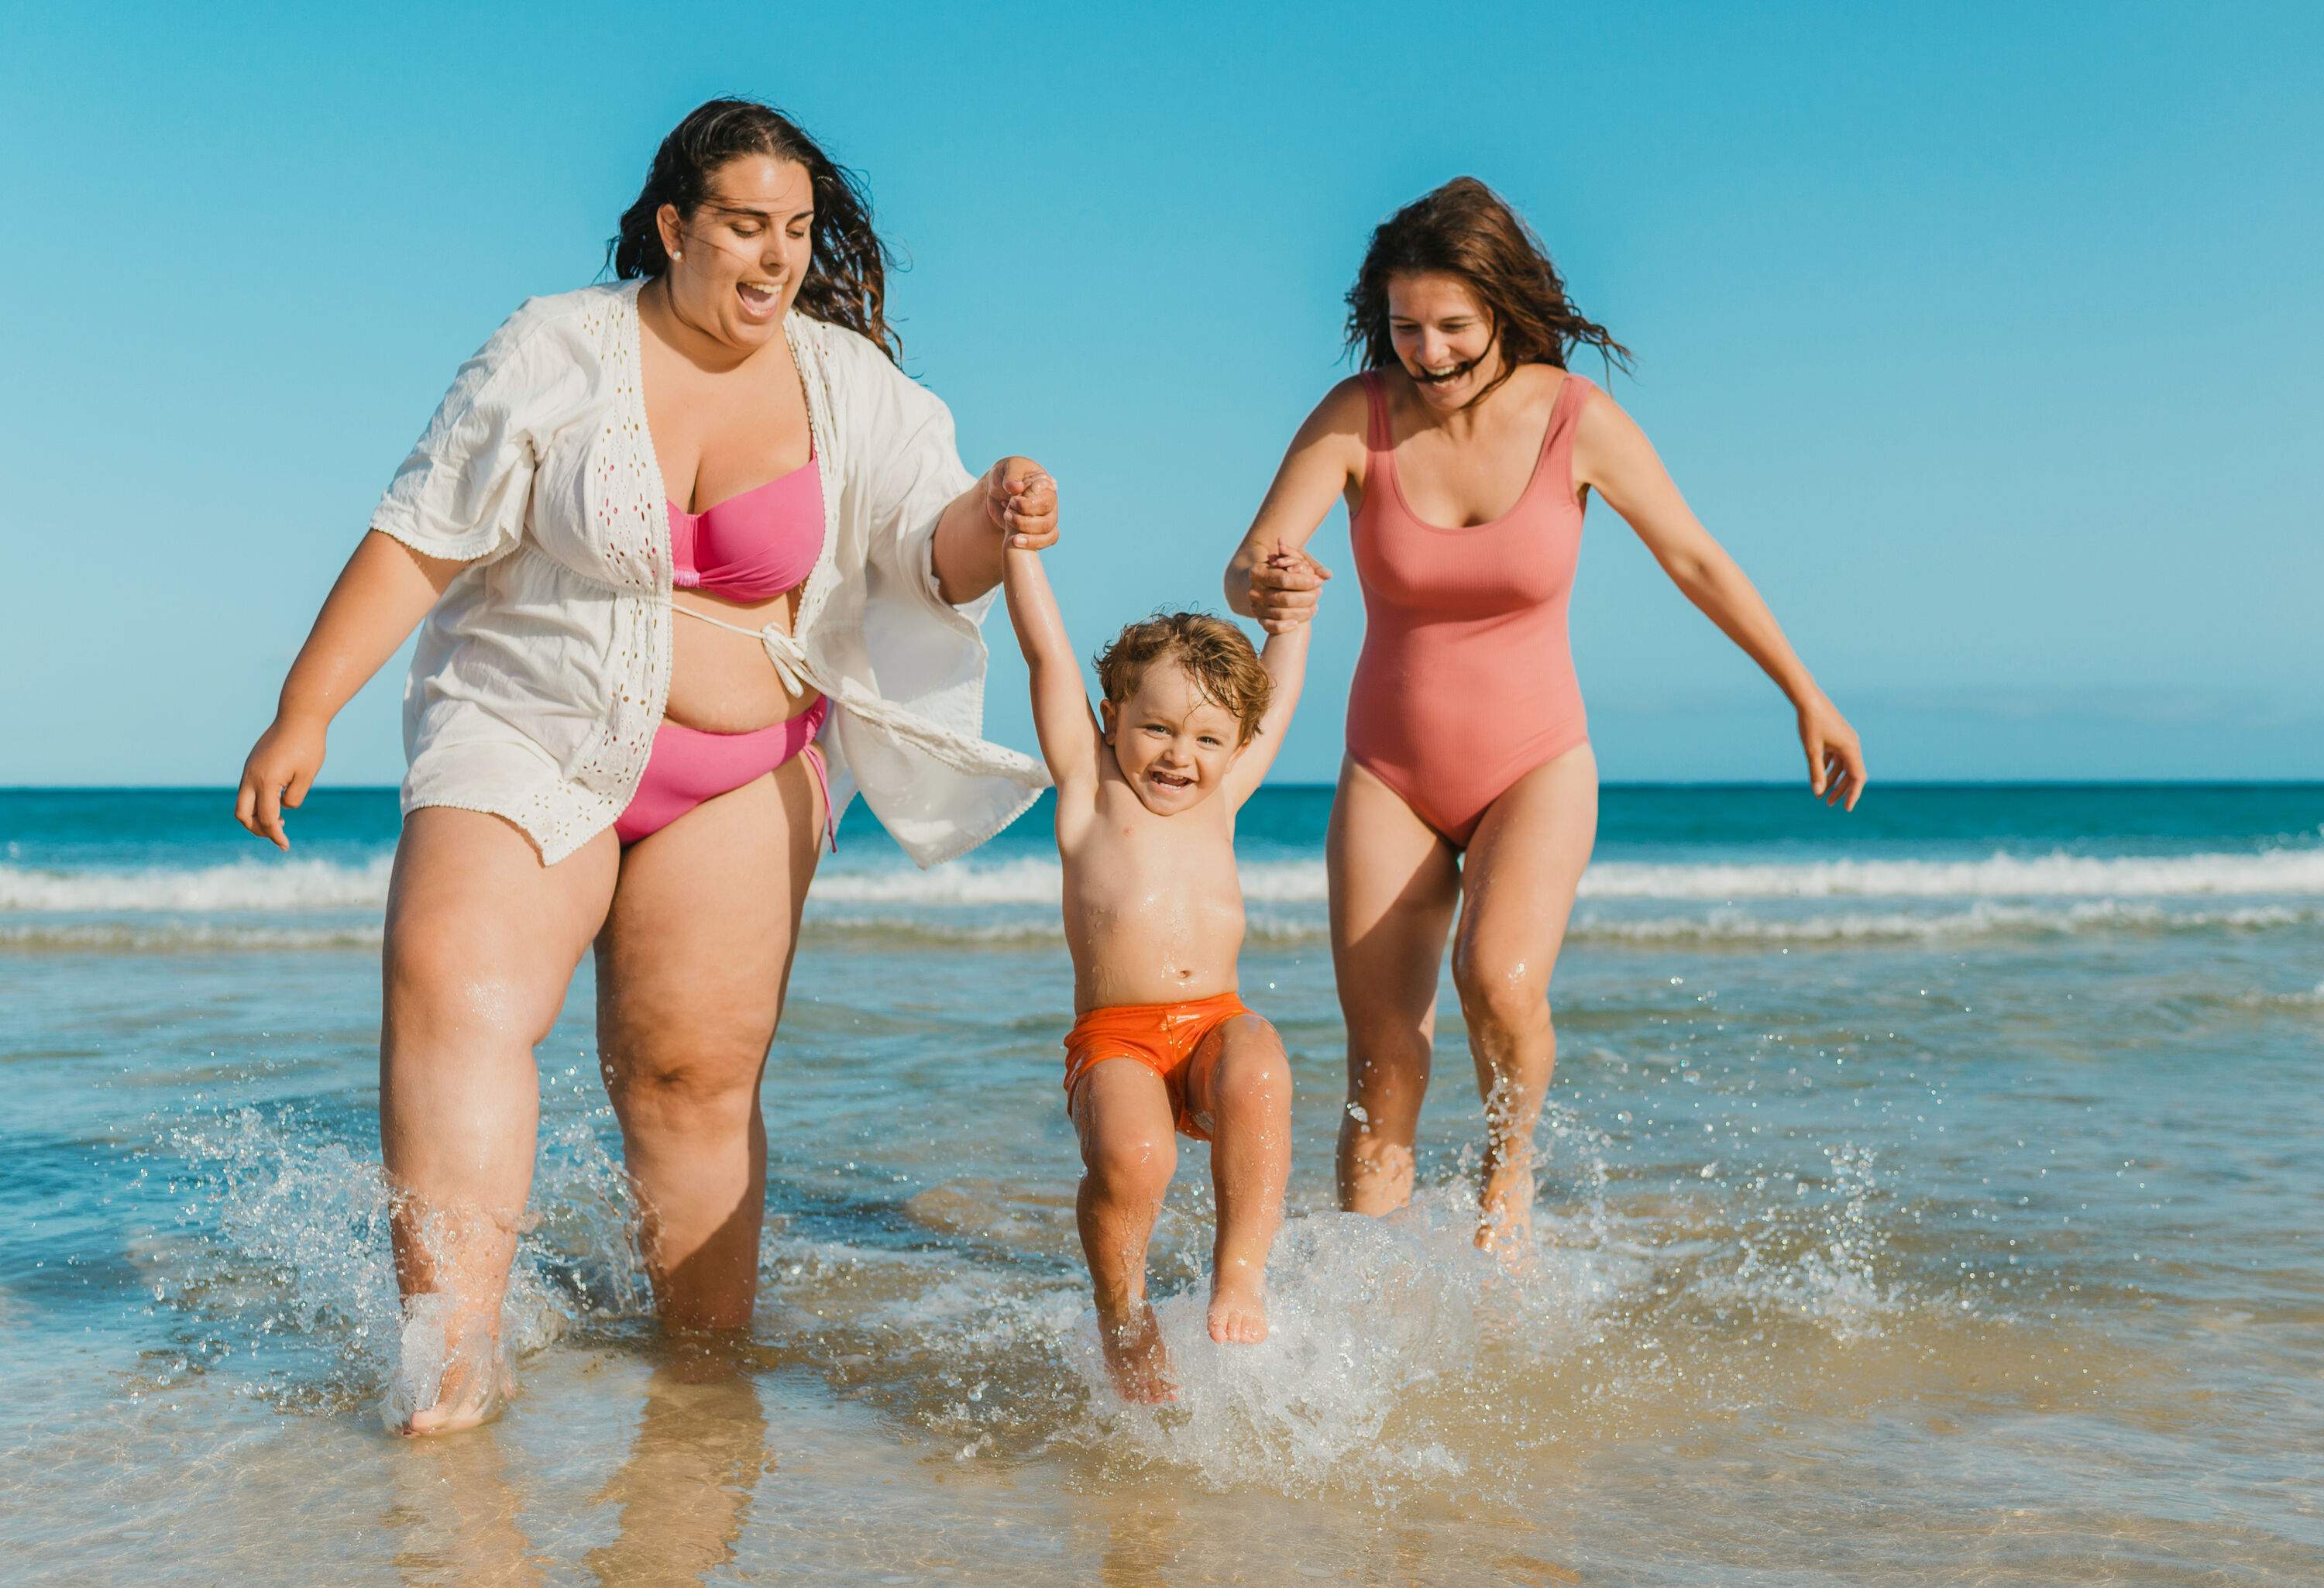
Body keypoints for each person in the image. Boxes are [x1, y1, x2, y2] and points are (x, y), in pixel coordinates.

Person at [233, 98, 1052, 1433]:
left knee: (688, 1080)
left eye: (795, 230)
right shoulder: (554, 347)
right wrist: (304, 708)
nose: (776, 257)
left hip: (742, 767)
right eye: (746, 225)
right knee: (455, 988)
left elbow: (928, 550)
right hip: (529, 729)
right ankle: (450, 1364)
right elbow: (420, 536)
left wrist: (994, 512)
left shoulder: (846, 382)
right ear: (675, 227)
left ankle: (704, 1396)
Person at [1224, 177, 1865, 1257]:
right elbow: (1250, 564)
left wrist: (1806, 691)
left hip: (1533, 761)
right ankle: (1370, 1299)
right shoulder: (1356, 416)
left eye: (1454, 329)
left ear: (1505, 312)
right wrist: (1265, 585)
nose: (1427, 353)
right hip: (1389, 769)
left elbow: (1694, 557)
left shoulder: (1577, 420)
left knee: (1500, 980)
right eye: (1405, 327)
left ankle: (1506, 1174)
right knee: (1382, 1062)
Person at [999, 540, 1312, 1402]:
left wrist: (1295, 619)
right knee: (1136, 1157)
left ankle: (1240, 1272)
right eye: (1158, 727)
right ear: (1111, 716)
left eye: (1209, 737)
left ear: (1234, 743)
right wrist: (1018, 550)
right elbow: (1046, 655)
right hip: (1119, 1040)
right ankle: (1124, 1312)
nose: (1182, 754)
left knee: (1261, 1069)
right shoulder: (1088, 789)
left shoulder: (1222, 797)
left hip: (1214, 1020)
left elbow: (1273, 704)